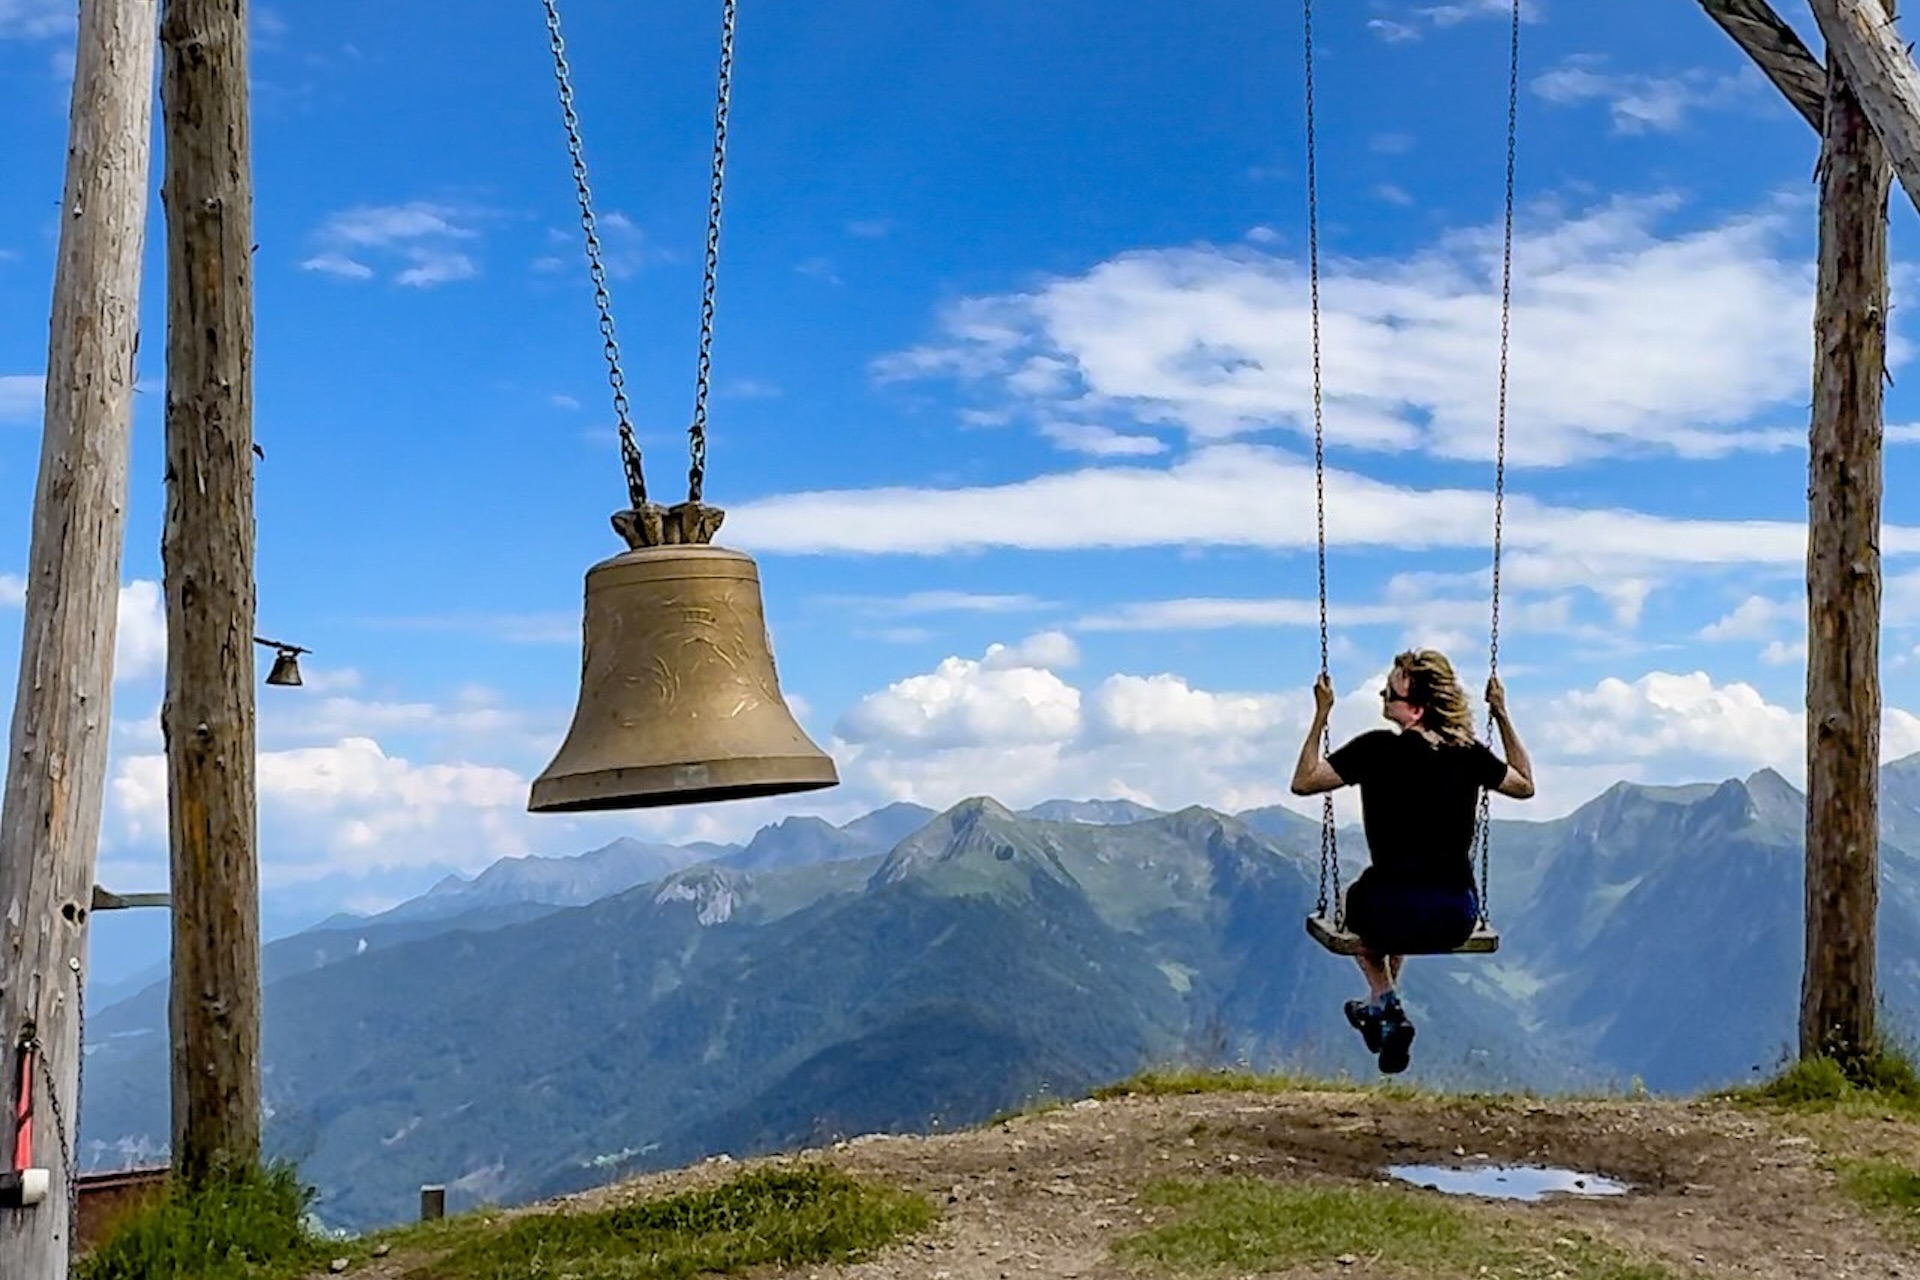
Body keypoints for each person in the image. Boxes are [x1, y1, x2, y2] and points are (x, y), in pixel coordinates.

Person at [1289, 648, 1535, 1074]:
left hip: (1387, 909)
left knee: (1358, 905)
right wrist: (1503, 714)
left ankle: (1386, 1002)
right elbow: (1525, 784)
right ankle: (1381, 1014)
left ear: (1417, 710)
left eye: (1390, 693)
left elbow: (1304, 782)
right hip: (1456, 914)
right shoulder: (1469, 753)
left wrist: (1321, 715)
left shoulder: (1375, 749)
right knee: (1397, 911)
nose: (1383, 697)